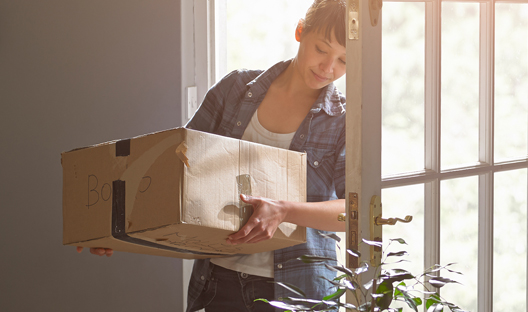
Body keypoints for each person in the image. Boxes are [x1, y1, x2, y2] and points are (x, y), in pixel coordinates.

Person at [79, 1, 347, 311]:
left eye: (343, 61)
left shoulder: (344, 120)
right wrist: (113, 231)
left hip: (300, 289)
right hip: (221, 282)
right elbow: (175, 171)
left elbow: (353, 212)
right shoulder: (234, 89)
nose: (328, 68)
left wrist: (284, 210)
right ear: (301, 31)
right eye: (321, 49)